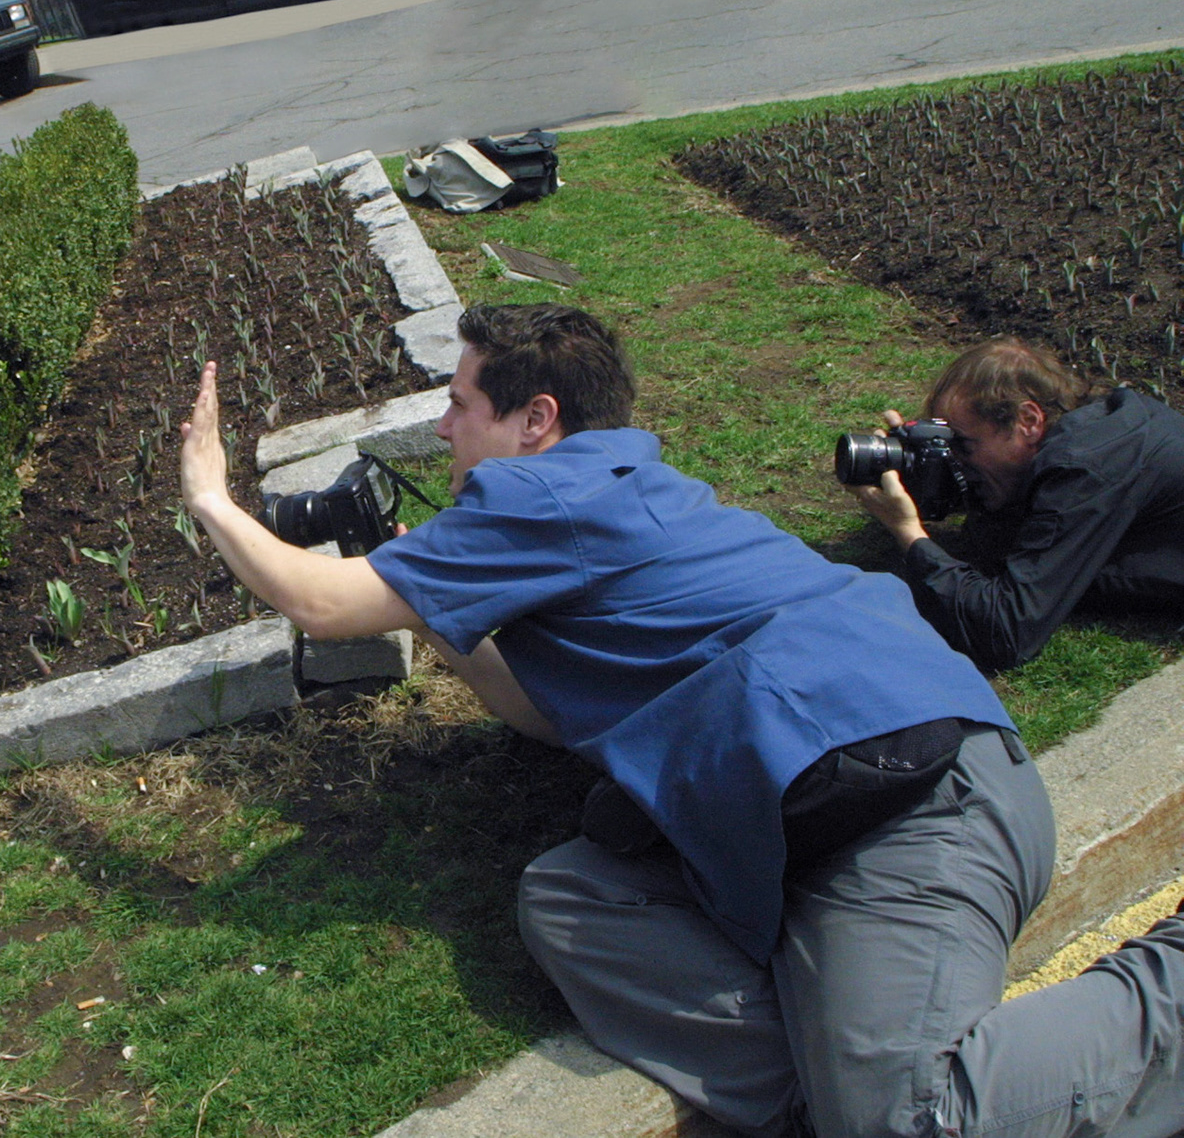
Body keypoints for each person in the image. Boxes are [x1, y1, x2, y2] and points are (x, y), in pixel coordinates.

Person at [178, 302, 1184, 1138]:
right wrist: (446, 615)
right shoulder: (624, 486)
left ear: (536, 419)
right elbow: (546, 713)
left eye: (459, 404)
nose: (443, 430)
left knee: (909, 1122)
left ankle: (1163, 986)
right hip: (870, 790)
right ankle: (823, 1095)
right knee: (571, 899)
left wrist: (213, 498)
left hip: (904, 810)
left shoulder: (535, 493)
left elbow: (321, 601)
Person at [850, 337, 1184, 671]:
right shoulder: (1093, 428)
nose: (956, 459)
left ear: (1027, 421)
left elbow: (1006, 632)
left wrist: (908, 533)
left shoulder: (1085, 469)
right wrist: (924, 473)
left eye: (963, 445)